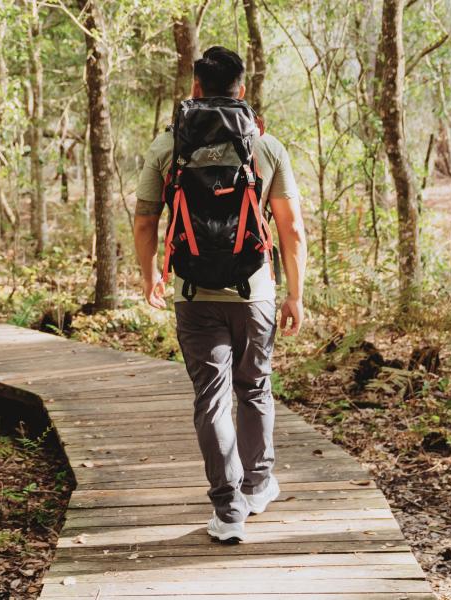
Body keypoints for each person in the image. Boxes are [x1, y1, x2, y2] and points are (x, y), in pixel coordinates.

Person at [132, 46, 307, 543]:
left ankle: (228, 510)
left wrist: (150, 275)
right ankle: (257, 485)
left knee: (211, 400)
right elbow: (291, 229)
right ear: (242, 90)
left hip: (193, 294)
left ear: (195, 88)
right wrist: (295, 293)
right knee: (255, 388)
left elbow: (146, 219)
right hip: (255, 292)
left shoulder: (168, 145)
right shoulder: (267, 147)